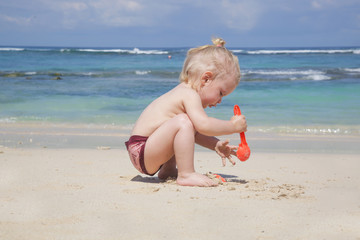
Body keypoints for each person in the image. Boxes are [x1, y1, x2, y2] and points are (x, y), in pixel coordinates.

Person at [125, 38, 247, 187]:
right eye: (221, 93)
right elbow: (204, 125)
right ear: (206, 79)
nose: (220, 100)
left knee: (184, 125)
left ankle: (168, 169)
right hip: (143, 149)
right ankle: (186, 174)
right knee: (183, 121)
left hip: (146, 150)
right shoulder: (189, 94)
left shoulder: (186, 92)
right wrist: (232, 126)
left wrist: (215, 144)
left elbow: (193, 133)